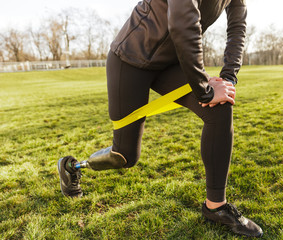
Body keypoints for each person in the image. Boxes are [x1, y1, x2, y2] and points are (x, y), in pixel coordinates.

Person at [57, 0, 263, 238]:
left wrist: (228, 79)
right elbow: (182, 24)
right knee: (125, 156)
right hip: (131, 59)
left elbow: (237, 27)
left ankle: (215, 206)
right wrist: (204, 90)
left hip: (171, 63)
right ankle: (72, 166)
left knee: (220, 107)